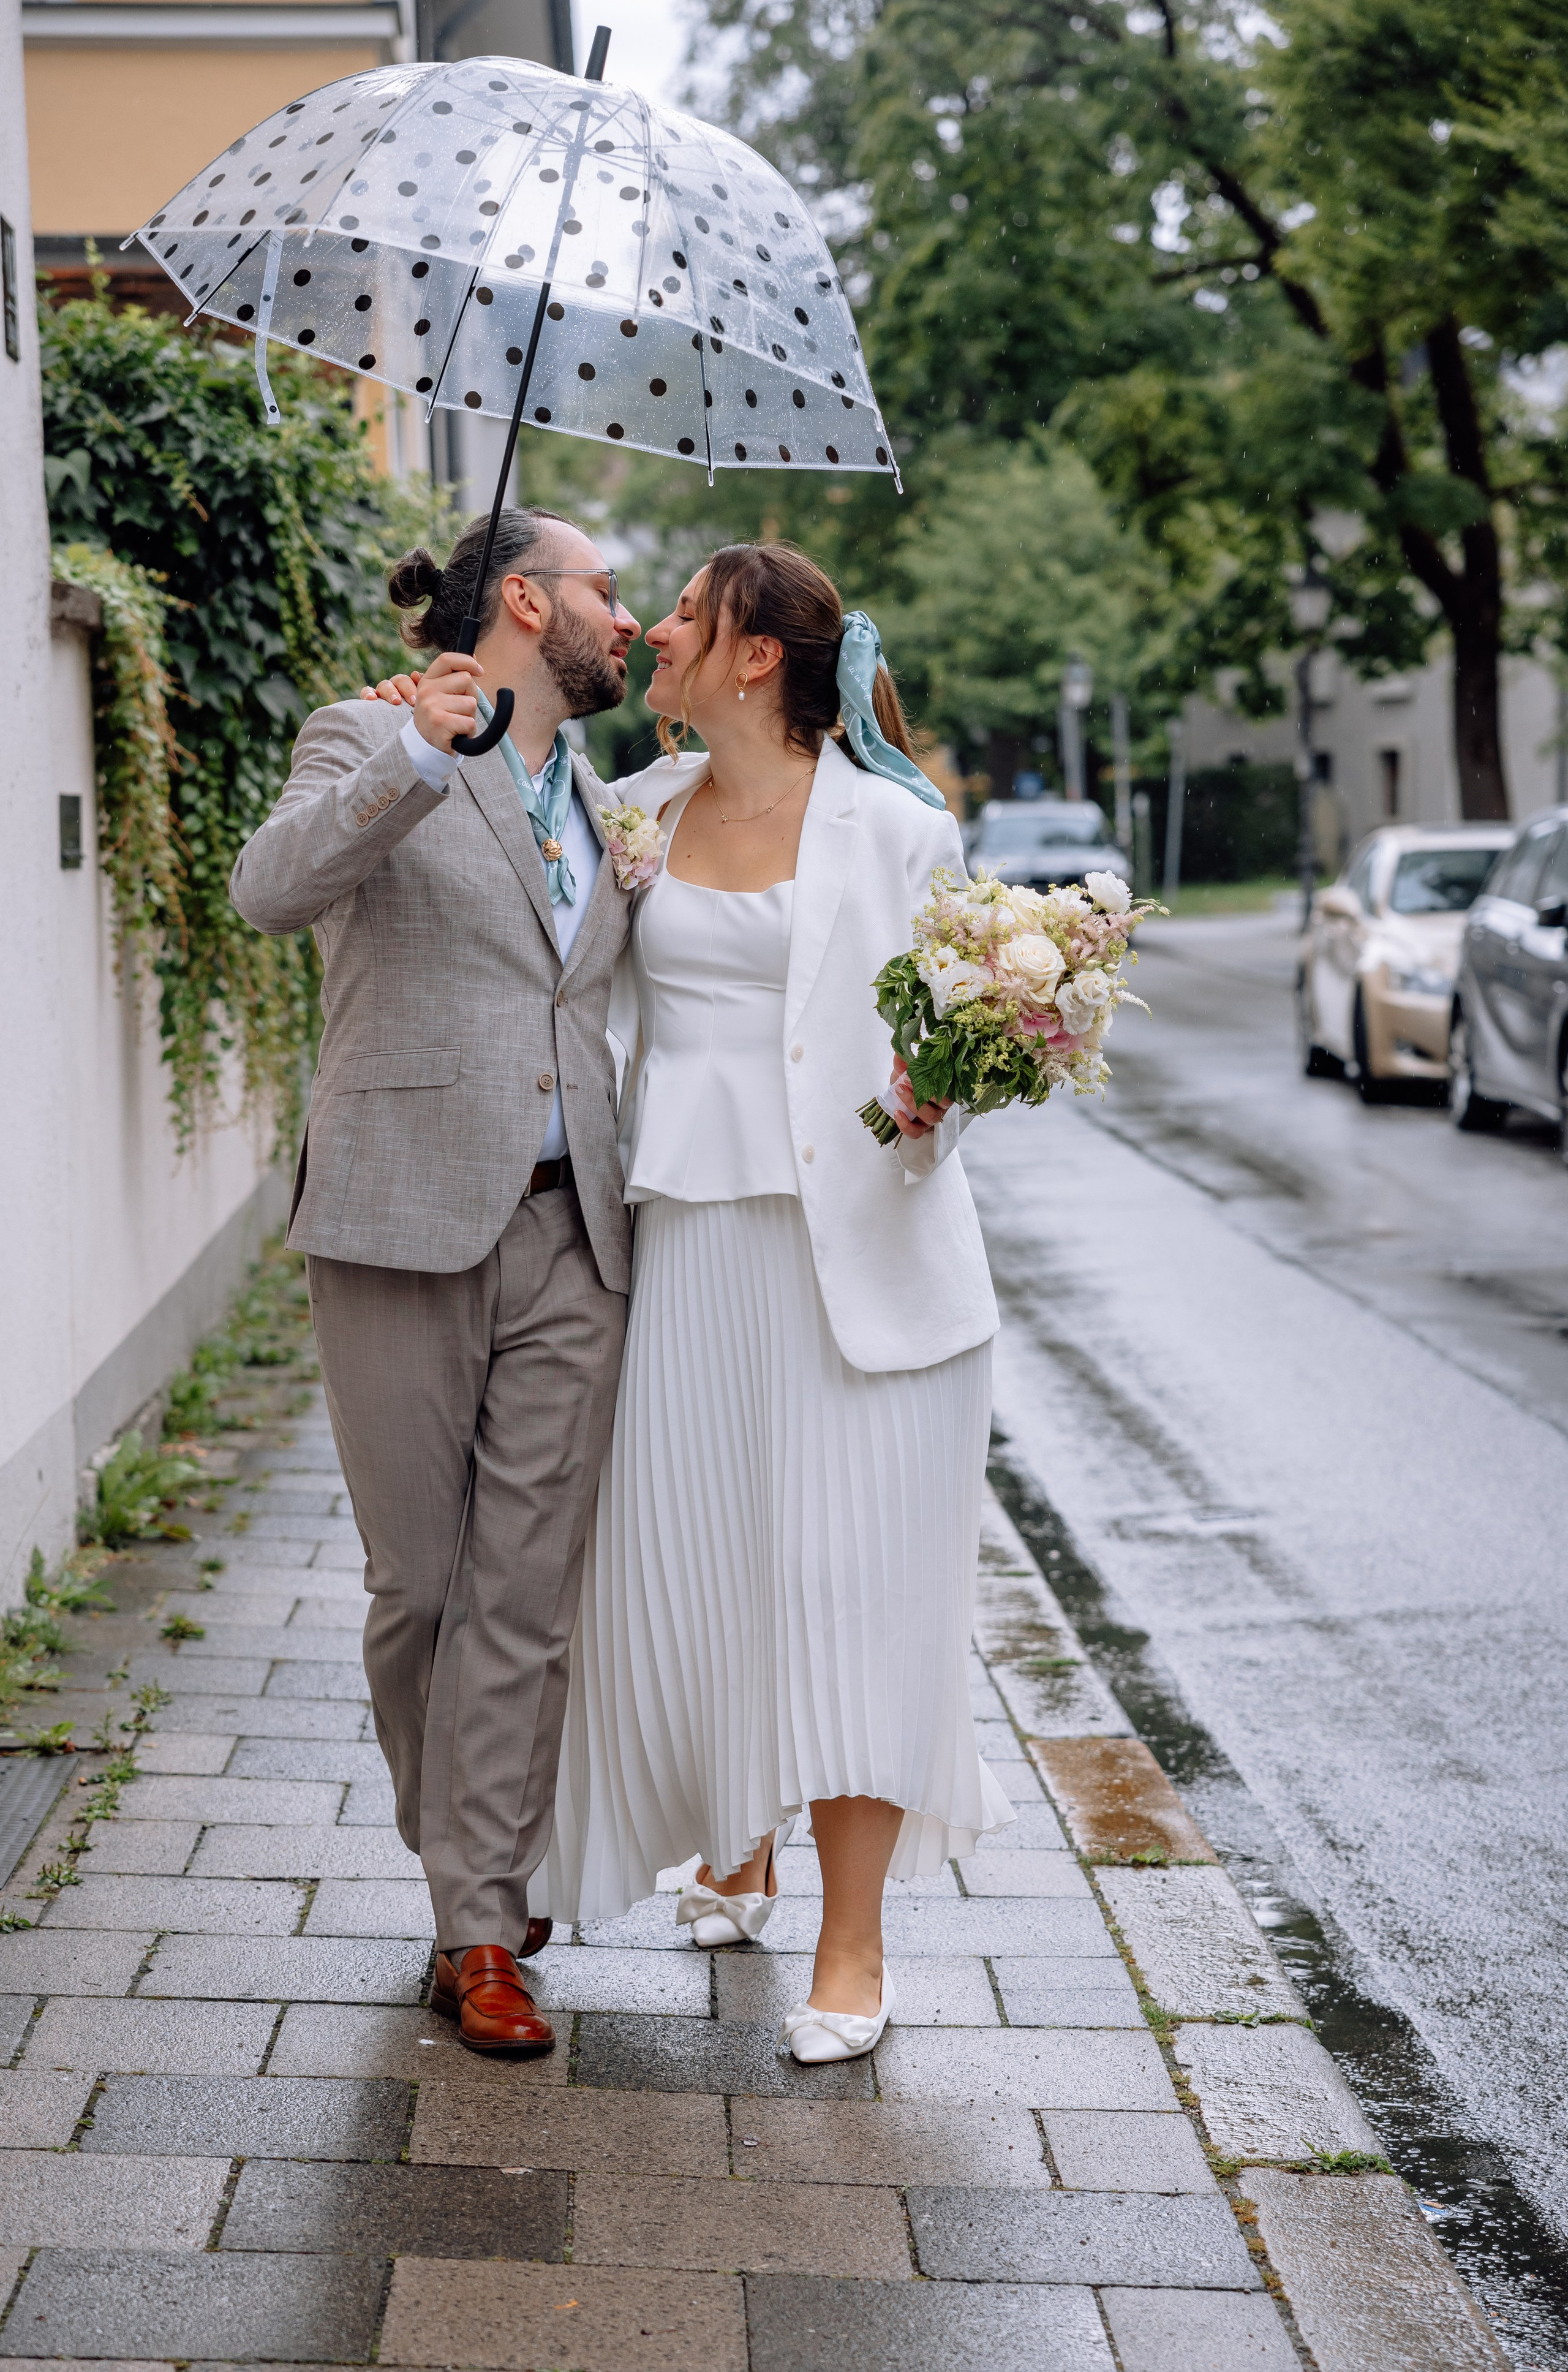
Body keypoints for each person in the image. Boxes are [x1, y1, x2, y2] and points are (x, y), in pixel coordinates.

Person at [527, 544, 1011, 2062]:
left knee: (854, 1597)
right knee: (704, 1574)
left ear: (754, 658)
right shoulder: (638, 815)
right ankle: (735, 1840)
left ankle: (851, 1946)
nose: (653, 630)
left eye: (682, 612)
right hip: (686, 1252)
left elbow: (968, 1032)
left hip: (865, 1272)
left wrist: (949, 1096)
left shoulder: (898, 830)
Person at [230, 505, 689, 2057]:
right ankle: (468, 1859)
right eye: (603, 592)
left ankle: (477, 1920)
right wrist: (412, 761)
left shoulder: (622, 800)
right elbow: (269, 890)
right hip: (399, 1213)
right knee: (418, 1586)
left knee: (523, 1591)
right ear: (516, 605)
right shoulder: (365, 732)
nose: (622, 620)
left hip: (579, 1228)